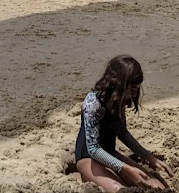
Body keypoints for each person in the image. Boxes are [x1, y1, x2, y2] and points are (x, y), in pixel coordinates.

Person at [74, 55, 173, 191]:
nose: (134, 94)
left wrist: (150, 158)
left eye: (136, 89)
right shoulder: (93, 103)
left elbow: (123, 133)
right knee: (121, 190)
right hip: (88, 158)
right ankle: (85, 176)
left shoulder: (118, 100)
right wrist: (125, 168)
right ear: (118, 85)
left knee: (156, 186)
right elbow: (93, 149)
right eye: (132, 89)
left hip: (110, 153)